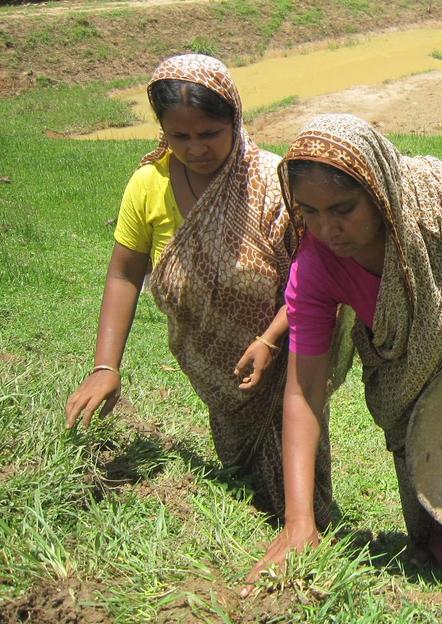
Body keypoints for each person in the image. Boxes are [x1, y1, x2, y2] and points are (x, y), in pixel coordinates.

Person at [244, 114, 442, 592]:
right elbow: (304, 392)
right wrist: (298, 522)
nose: (327, 229)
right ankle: (441, 534)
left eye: (344, 209)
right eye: (309, 211)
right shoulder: (316, 267)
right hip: (402, 374)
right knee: (429, 473)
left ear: (380, 190)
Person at [62, 54, 336, 526]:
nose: (196, 149)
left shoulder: (272, 183)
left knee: (297, 466)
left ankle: (310, 532)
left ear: (235, 117)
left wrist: (270, 339)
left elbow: (311, 278)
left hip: (283, 359)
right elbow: (125, 273)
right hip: (211, 365)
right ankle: (257, 530)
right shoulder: (149, 184)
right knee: (237, 471)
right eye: (180, 136)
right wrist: (105, 366)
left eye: (209, 133)